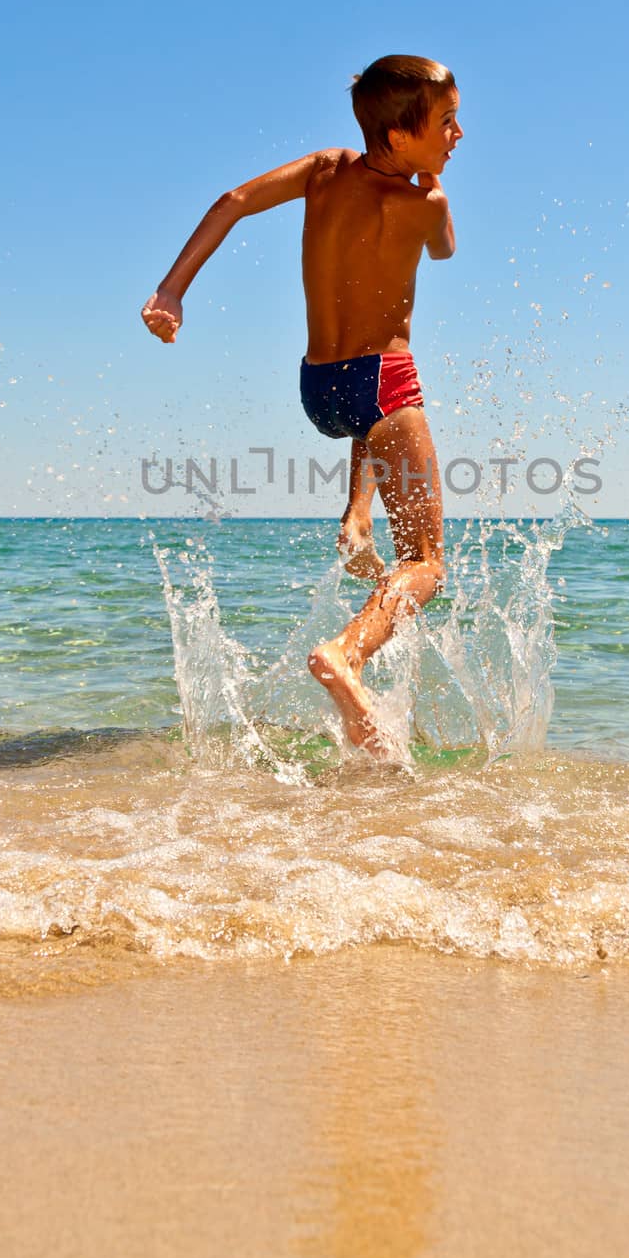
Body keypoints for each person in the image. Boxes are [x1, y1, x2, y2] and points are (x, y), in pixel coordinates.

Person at [141, 54, 461, 759]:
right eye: (446, 123)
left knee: (370, 422)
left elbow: (231, 201)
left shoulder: (323, 170)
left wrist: (172, 292)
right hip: (383, 377)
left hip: (321, 386)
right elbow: (443, 250)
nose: (458, 134)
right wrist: (433, 182)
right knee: (429, 563)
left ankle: (355, 516)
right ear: (402, 138)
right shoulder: (425, 203)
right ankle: (345, 655)